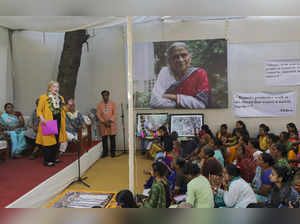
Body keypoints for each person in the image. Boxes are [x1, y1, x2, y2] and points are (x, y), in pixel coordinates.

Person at [150, 42, 211, 109]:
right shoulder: (165, 72)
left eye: (184, 55)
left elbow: (201, 105)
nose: (180, 60)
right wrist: (186, 103)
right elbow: (154, 102)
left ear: (190, 57)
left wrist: (174, 97)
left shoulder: (199, 73)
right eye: (175, 57)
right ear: (170, 60)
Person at [36, 81, 67, 167]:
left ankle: (53, 158)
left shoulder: (61, 98)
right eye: (54, 87)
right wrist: (43, 120)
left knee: (56, 141)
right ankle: (47, 160)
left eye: (57, 87)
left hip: (59, 121)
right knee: (48, 142)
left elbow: (64, 109)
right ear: (49, 88)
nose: (56, 89)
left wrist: (68, 106)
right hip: (48, 121)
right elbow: (39, 110)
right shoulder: (43, 97)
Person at [96, 90, 117, 158]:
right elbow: (98, 114)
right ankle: (105, 153)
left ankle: (113, 153)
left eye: (106, 95)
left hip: (111, 124)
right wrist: (104, 121)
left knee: (112, 139)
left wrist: (110, 121)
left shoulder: (113, 103)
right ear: (102, 96)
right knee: (104, 139)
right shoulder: (100, 104)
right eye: (103, 95)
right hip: (103, 124)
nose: (105, 97)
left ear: (108, 95)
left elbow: (115, 113)